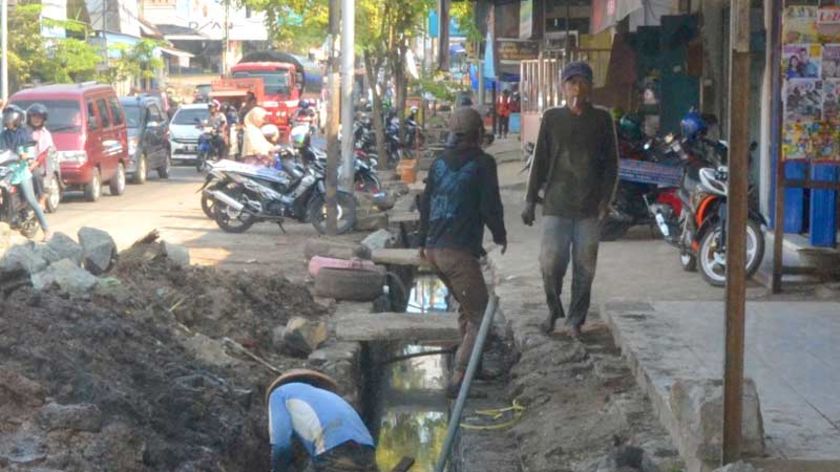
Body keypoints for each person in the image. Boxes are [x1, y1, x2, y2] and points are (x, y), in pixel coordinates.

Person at [521, 61, 618, 338]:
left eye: (582, 83)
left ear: (590, 89)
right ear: (563, 87)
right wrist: (530, 199)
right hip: (556, 204)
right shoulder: (552, 118)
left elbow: (612, 164)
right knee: (550, 264)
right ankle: (554, 310)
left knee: (585, 267)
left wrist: (606, 200)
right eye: (572, 83)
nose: (577, 88)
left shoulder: (601, 120)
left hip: (588, 208)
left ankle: (576, 319)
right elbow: (539, 160)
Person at [418, 107, 507, 397]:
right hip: (457, 254)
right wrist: (500, 233)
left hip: (434, 250)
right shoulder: (483, 163)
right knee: (480, 318)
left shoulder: (439, 163)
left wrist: (422, 241)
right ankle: (459, 379)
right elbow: (490, 205)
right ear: (478, 134)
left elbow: (426, 203)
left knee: (466, 308)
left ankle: (474, 369)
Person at [266, 369, 377, 472]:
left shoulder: (279, 393)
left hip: (334, 451)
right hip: (368, 452)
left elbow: (281, 445)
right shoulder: (329, 396)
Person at [0, 105, 51, 240]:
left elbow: (29, 150)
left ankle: (47, 230)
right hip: (6, 171)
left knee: (31, 199)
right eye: (6, 118)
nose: (8, 120)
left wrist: (26, 156)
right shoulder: (3, 135)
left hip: (21, 171)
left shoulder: (24, 134)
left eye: (10, 118)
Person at [26, 103, 54, 209]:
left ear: (43, 119)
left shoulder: (45, 134)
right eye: (34, 116)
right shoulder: (24, 131)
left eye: (39, 117)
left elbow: (44, 153)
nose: (36, 119)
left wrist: (34, 164)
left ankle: (41, 197)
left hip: (38, 163)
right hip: (23, 161)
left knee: (36, 174)